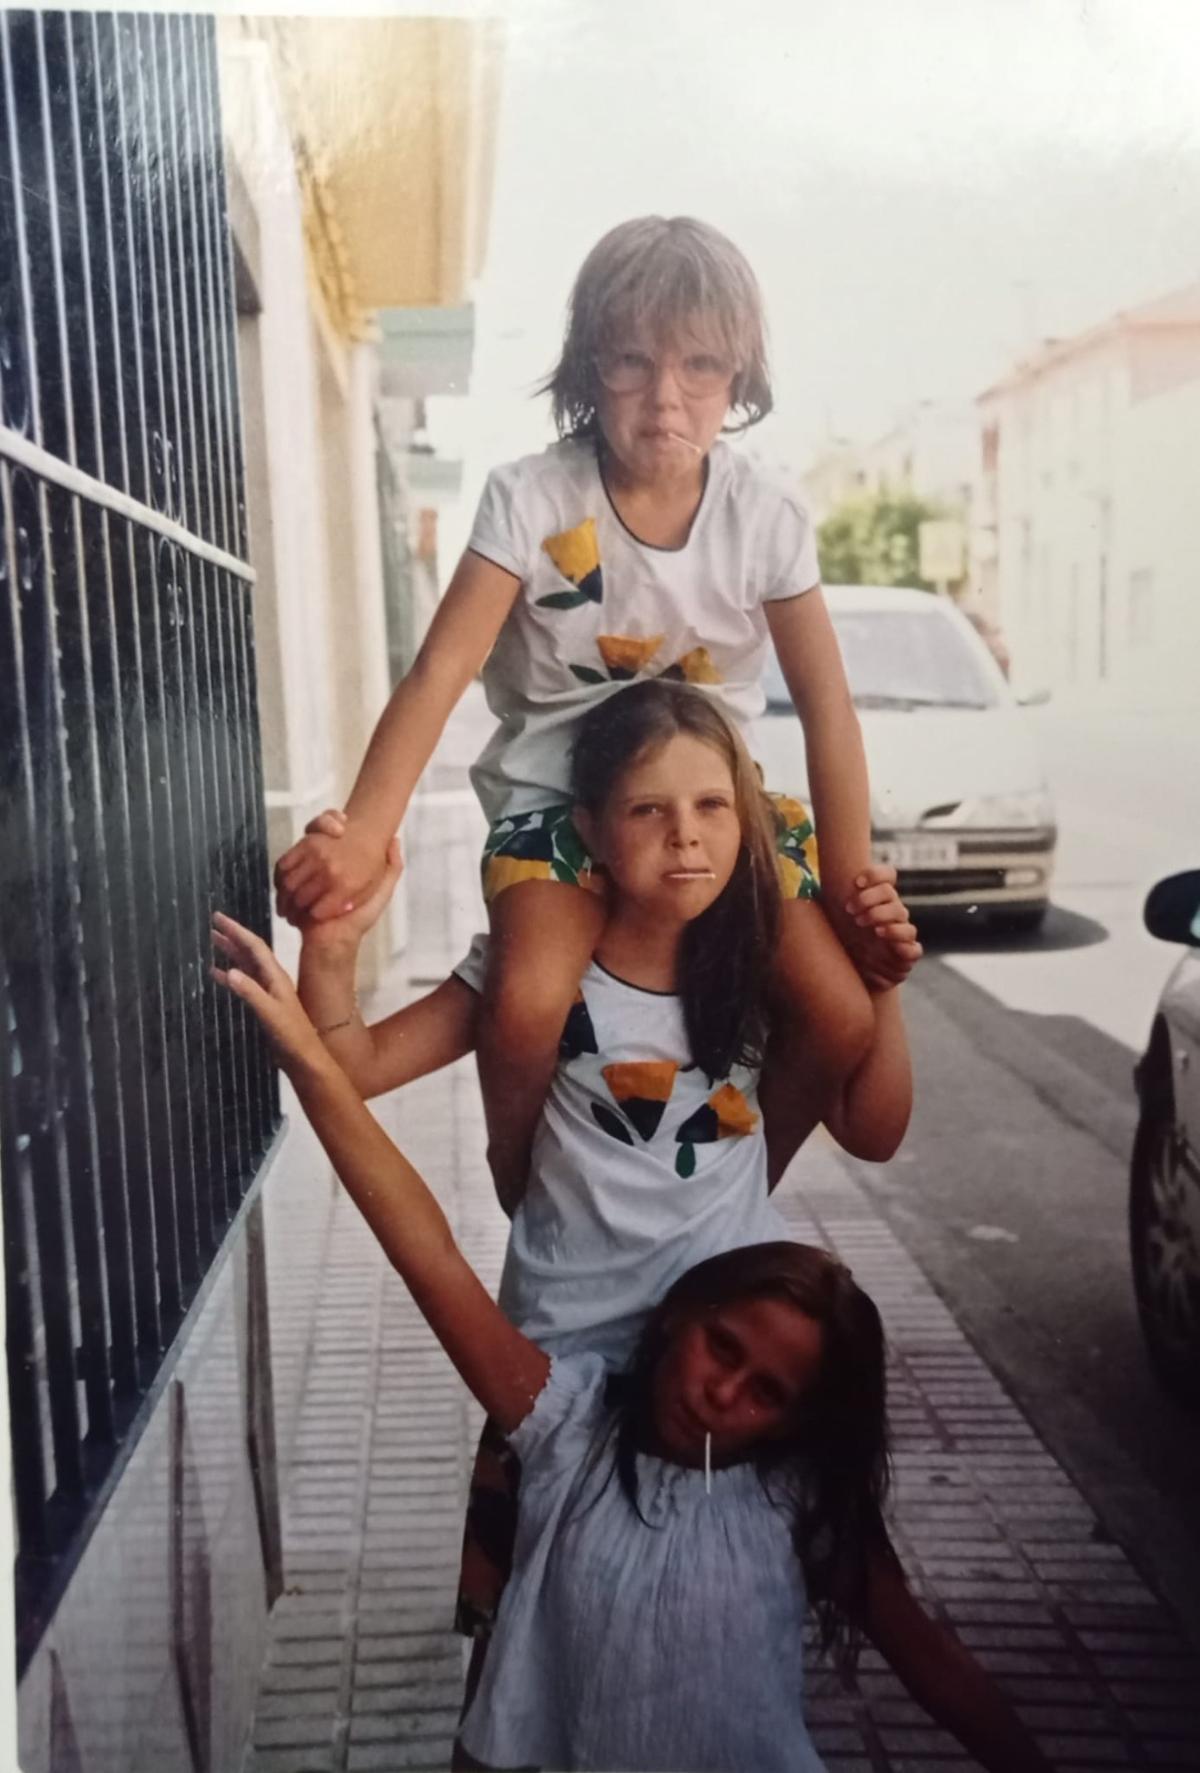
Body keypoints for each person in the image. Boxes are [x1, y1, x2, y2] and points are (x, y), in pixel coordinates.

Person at [210, 927, 1051, 1773]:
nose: (726, 1392)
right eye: (724, 1347)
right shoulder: (565, 1426)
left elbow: (928, 1656)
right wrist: (310, 1066)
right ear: (679, 1318)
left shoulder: (800, 1501)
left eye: (768, 1391)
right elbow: (425, 1248)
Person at [273, 214, 919, 1211]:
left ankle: (735, 1204)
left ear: (739, 380)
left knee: (838, 1011)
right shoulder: (531, 499)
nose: (668, 398)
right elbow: (440, 669)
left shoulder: (768, 517)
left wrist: (850, 882)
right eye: (632, 363)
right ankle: (518, 1170)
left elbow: (830, 713)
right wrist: (363, 834)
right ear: (587, 370)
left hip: (708, 799)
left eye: (702, 367)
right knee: (528, 1000)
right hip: (559, 797)